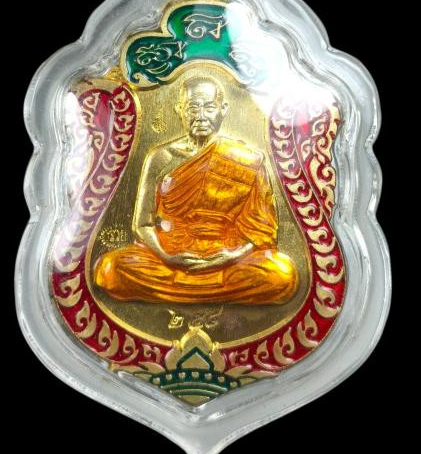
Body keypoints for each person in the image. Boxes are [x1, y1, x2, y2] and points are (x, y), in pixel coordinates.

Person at [94, 75, 298, 304]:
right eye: (193, 108)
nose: (201, 116)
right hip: (170, 253)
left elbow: (261, 231)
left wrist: (231, 256)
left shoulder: (246, 159)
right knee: (111, 269)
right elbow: (142, 225)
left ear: (223, 109)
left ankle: (181, 291)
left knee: (282, 275)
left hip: (227, 256)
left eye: (209, 107)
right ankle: (206, 290)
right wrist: (166, 256)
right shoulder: (161, 157)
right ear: (179, 110)